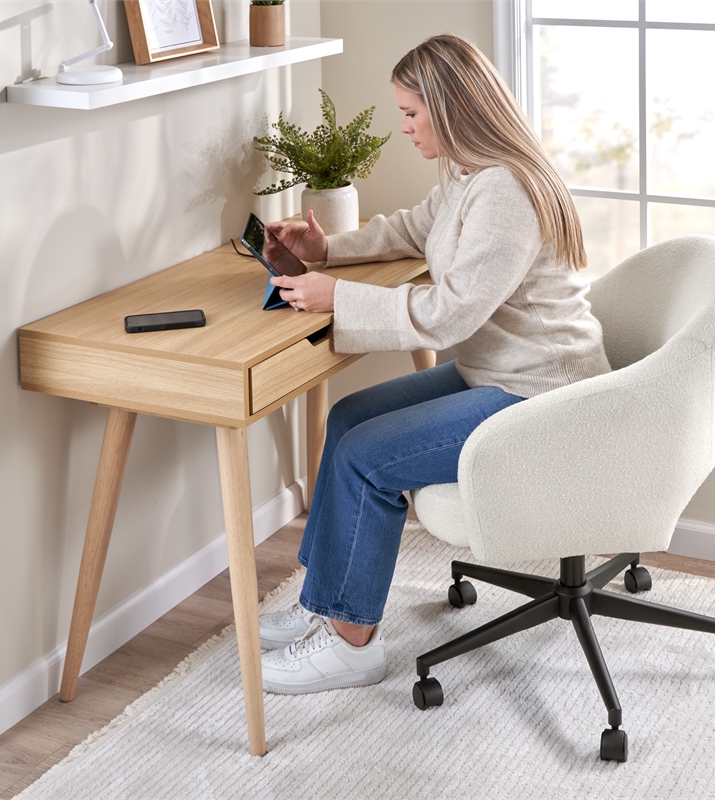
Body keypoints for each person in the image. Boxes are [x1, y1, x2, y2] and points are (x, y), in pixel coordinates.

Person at [258, 34, 611, 695]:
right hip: (500, 373)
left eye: (411, 113)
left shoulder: (505, 190)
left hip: (543, 395)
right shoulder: (468, 171)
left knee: (367, 458)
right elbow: (413, 230)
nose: (405, 127)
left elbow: (450, 315)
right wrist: (327, 249)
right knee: (350, 416)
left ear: (448, 109)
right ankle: (325, 601)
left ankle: (351, 646)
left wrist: (338, 298)